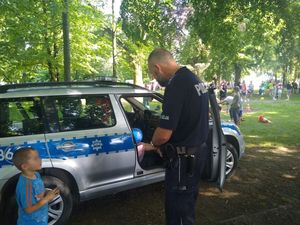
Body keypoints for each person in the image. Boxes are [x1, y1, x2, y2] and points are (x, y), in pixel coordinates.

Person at [148, 48, 209, 225]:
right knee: (187, 204)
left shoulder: (176, 85)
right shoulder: (193, 79)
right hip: (197, 154)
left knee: (178, 211)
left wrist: (152, 143)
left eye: (153, 73)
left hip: (182, 161)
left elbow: (163, 135)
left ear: (157, 68)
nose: (154, 78)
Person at [12, 147, 60, 225]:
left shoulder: (36, 175)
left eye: (38, 157)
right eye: (35, 158)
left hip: (41, 219)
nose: (40, 159)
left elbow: (37, 191)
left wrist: (47, 192)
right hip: (31, 222)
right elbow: (28, 210)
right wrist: (47, 199)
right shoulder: (25, 187)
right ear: (24, 166)